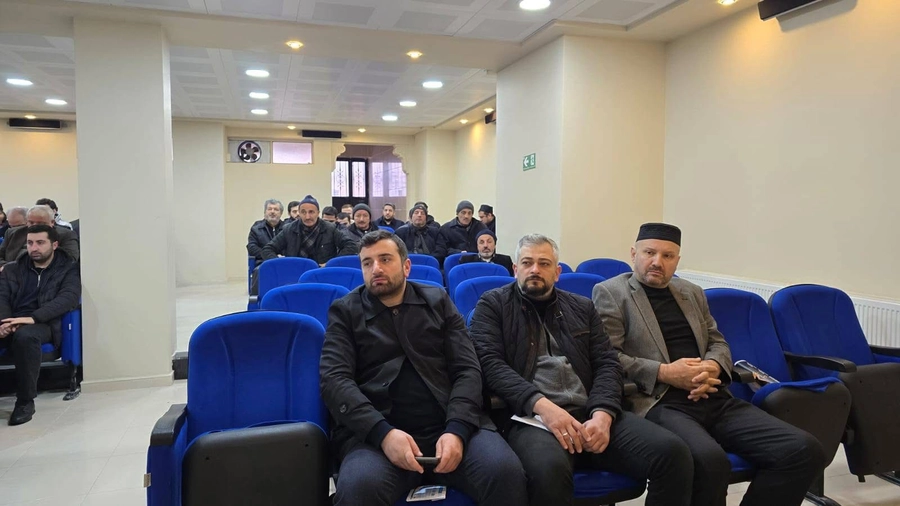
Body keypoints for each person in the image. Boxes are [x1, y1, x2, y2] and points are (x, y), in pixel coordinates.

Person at [592, 223, 825, 506]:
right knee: (710, 462)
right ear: (633, 254)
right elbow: (609, 357)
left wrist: (713, 366)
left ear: (677, 260)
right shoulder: (611, 293)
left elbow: (718, 342)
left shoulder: (691, 292)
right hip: (660, 402)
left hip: (714, 398)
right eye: (649, 253)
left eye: (667, 256)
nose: (657, 262)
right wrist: (666, 372)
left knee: (803, 450)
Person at [469, 233, 692, 506]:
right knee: (549, 470)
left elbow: (607, 363)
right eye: (527, 263)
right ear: (515, 269)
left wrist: (603, 414)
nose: (535, 269)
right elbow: (490, 365)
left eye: (544, 263)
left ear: (557, 272)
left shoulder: (582, 307)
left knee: (672, 453)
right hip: (533, 418)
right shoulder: (492, 305)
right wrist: (545, 408)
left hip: (589, 411)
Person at [320, 230, 527, 506]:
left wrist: (457, 429)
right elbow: (335, 380)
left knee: (505, 473)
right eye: (367, 263)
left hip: (448, 423)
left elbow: (467, 369)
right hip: (377, 434)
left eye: (385, 259)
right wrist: (382, 434)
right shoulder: (345, 311)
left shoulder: (437, 301)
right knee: (359, 488)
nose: (376, 268)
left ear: (406, 266)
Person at [0, 225, 81, 425]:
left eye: (40, 243)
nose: (34, 248)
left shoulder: (68, 269)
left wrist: (33, 318)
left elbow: (68, 299)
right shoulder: (12, 269)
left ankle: (25, 401)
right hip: (11, 320)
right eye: (30, 243)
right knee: (17, 333)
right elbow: (2, 297)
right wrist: (5, 322)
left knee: (25, 336)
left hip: (44, 323)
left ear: (54, 244)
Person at [261, 195, 358, 267]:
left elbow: (351, 246)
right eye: (303, 212)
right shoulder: (289, 229)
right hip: (295, 272)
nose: (307, 216)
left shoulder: (330, 228)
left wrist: (332, 263)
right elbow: (267, 250)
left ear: (318, 213)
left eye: (311, 212)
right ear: (299, 213)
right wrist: (281, 264)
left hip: (322, 273)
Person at [0, 206, 80, 270]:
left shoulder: (66, 235)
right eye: (31, 222)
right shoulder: (13, 233)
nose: (35, 226)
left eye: (40, 223)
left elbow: (71, 259)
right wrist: (6, 267)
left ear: (52, 222)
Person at [247, 199, 285, 267]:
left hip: (283, 262)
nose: (272, 212)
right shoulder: (256, 228)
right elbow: (252, 247)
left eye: (276, 209)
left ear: (281, 213)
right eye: (269, 209)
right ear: (265, 212)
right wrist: (272, 257)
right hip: (263, 262)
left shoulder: (287, 228)